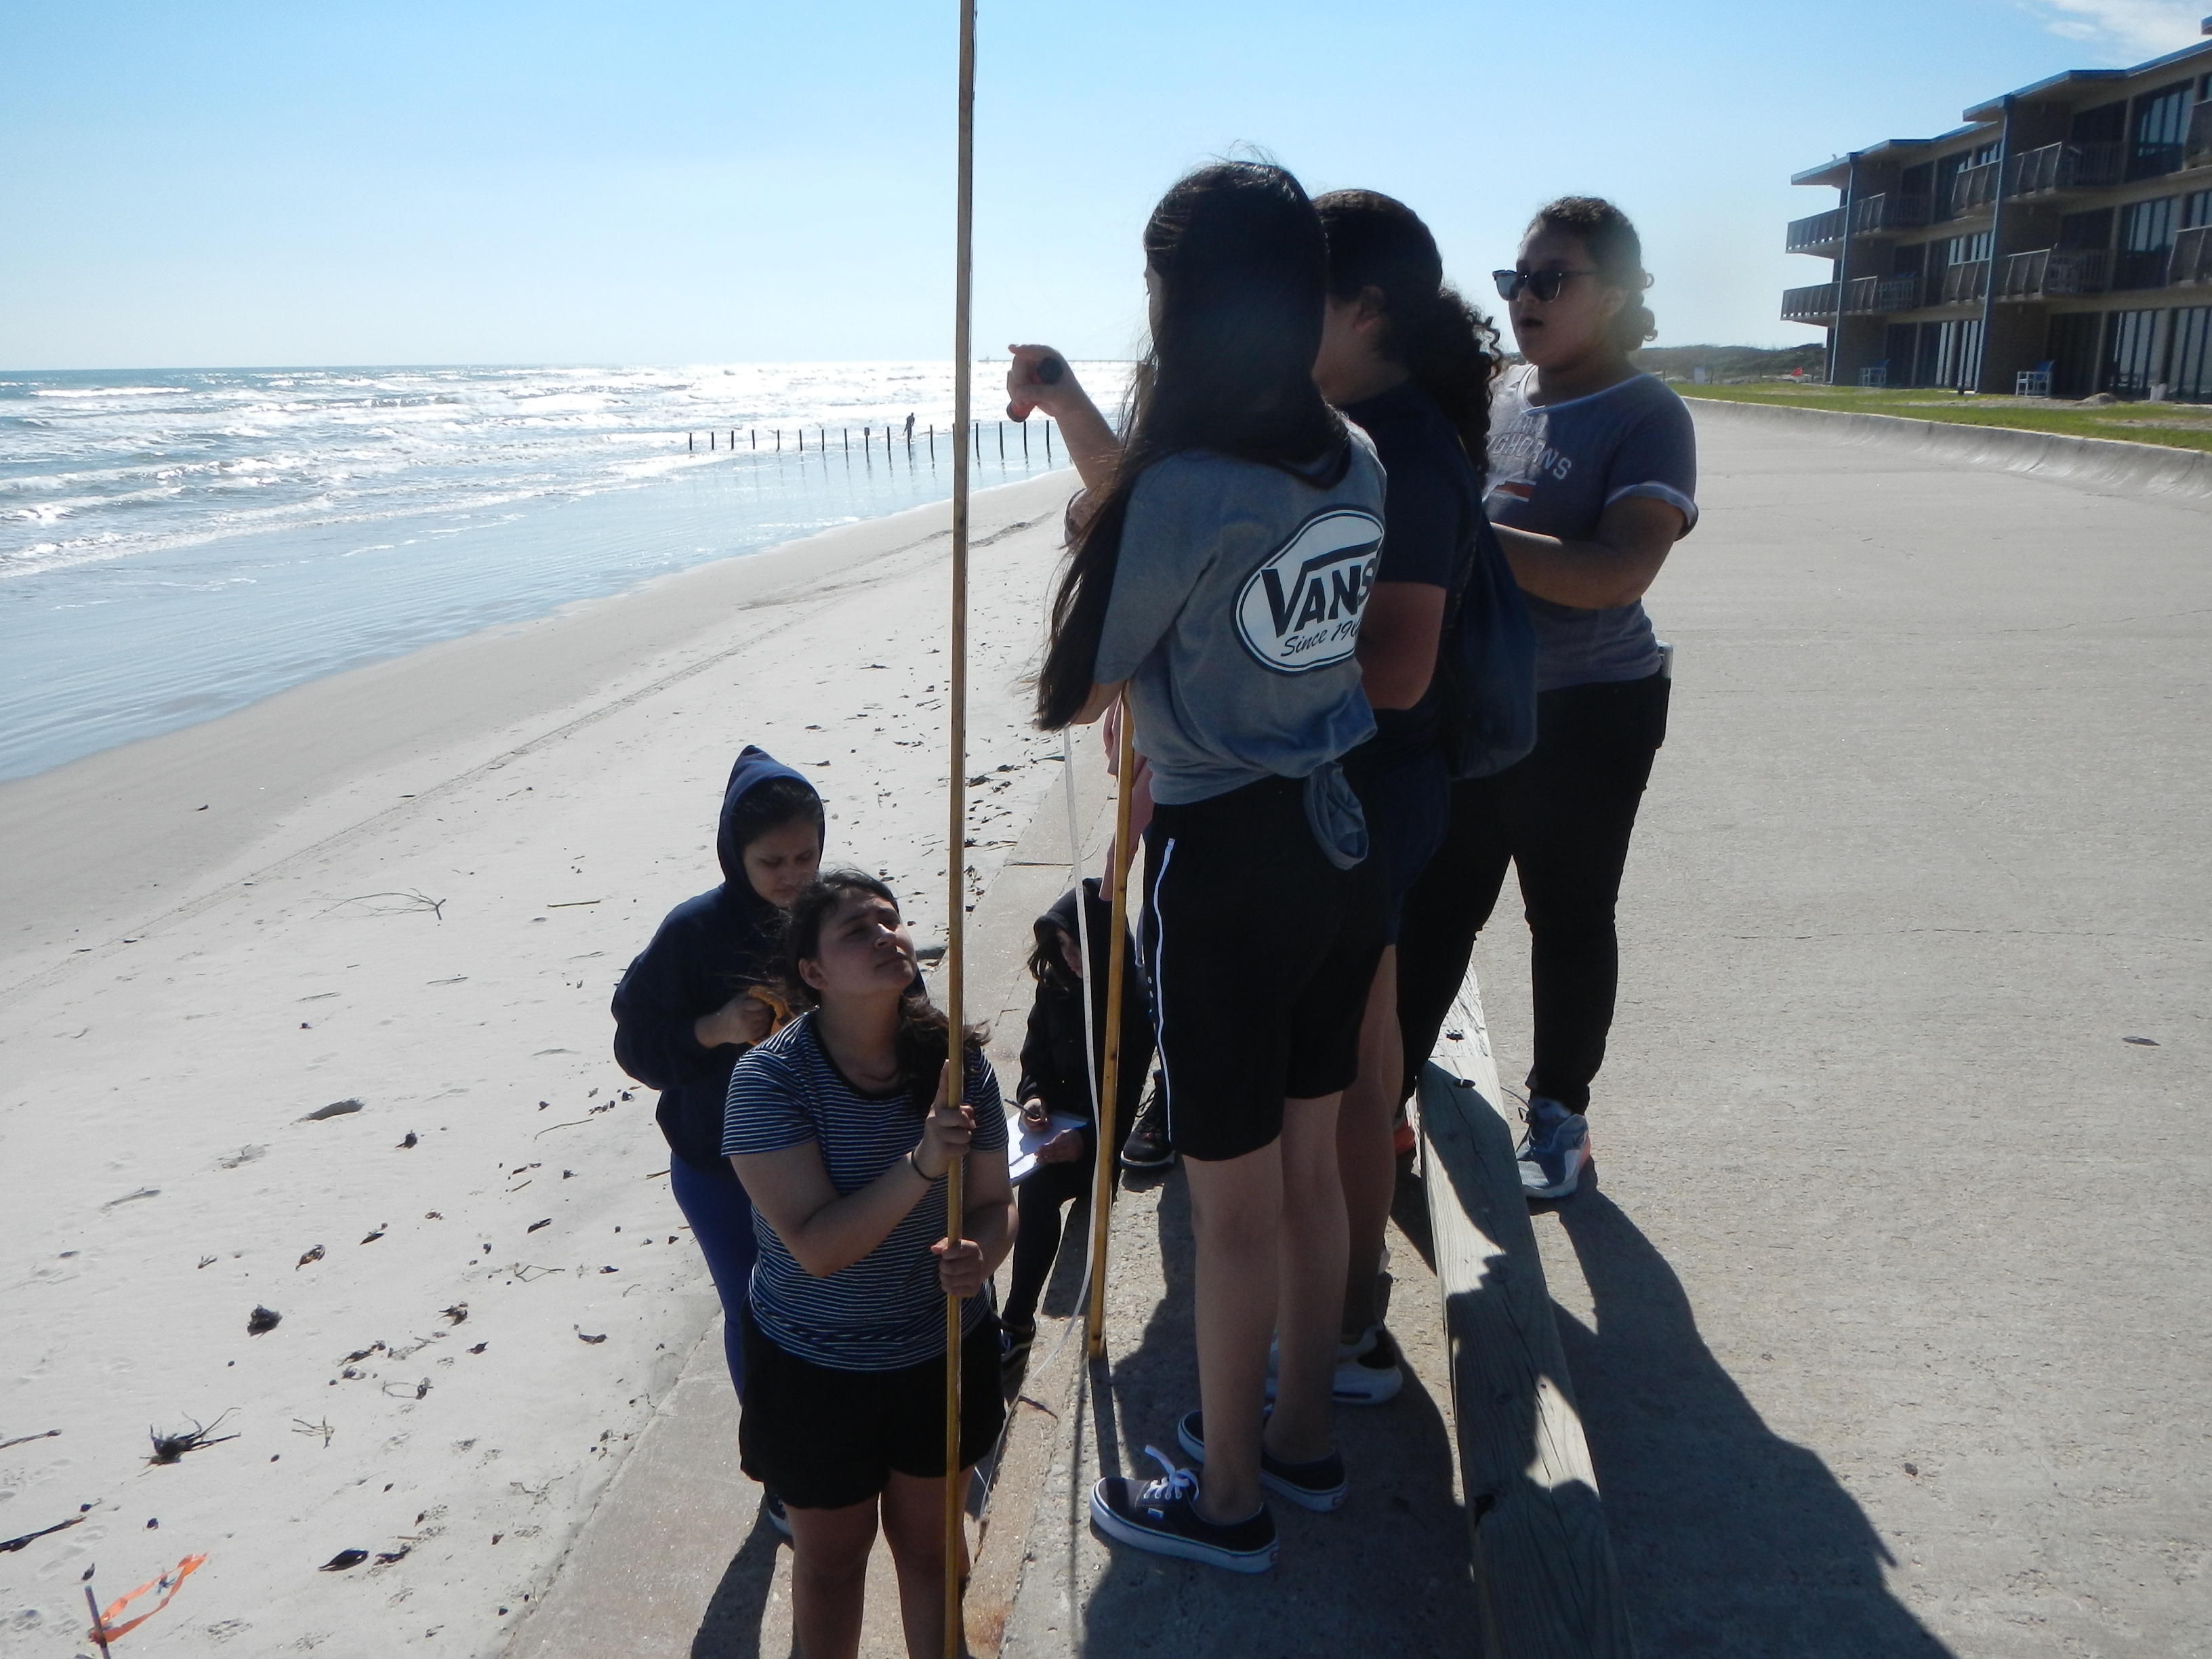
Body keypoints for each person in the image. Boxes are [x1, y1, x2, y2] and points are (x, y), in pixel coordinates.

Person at [1019, 160, 1389, 1572]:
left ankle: (1225, 1495)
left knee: (1230, 1208)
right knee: (1306, 1172)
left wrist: (1089, 524)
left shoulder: (1177, 488)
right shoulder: (1353, 457)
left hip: (1225, 863)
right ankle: (1299, 1434)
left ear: (1171, 304)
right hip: (1337, 841)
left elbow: (1076, 689)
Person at [1397, 197, 1698, 1201]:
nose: (1526, 298)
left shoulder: (1647, 413)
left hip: (1589, 710)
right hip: (1480, 701)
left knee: (1567, 917)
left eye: (1551, 279)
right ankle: (1385, 1095)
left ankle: (1560, 1118)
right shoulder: (1508, 392)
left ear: (1613, 294)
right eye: (1517, 278)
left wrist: (1464, 536)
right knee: (1439, 904)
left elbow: (1617, 573)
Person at [1310, 188, 1502, 1403]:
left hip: (1375, 792)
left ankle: (1345, 1328)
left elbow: (1394, 670)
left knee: (1353, 1074)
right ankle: (1338, 1312)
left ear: (1364, 310)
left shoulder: (1404, 451)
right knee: (1343, 1064)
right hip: (1362, 790)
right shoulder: (1355, 428)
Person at [723, 870, 1013, 1659]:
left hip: (938, 1349)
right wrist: (921, 1164)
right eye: (858, 929)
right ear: (812, 973)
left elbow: (996, 1203)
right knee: (831, 1563)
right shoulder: (768, 1081)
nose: (888, 936)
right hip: (815, 1365)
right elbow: (816, 1248)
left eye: (891, 922)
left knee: (929, 1551)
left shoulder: (954, 1060)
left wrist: (981, 1254)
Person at [609, 745, 823, 1530]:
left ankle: (830, 1448)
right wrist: (713, 1027)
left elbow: (897, 1003)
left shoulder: (835, 912)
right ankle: (778, 1473)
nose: (793, 875)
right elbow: (637, 1042)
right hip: (719, 1164)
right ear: (737, 853)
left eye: (806, 856)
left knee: (826, 1307)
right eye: (772, 861)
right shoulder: (693, 931)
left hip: (821, 1154)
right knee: (755, 1314)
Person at [1000, 879, 1155, 1368]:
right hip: (1051, 1128)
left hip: (1100, 1138)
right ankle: (995, 1319)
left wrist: (1086, 1141)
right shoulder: (1057, 988)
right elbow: (1034, 1058)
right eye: (1063, 947)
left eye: (1079, 947)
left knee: (1039, 1192)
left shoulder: (1134, 1002)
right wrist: (1033, 1099)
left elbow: (1131, 1097)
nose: (1070, 958)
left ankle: (1016, 1321)